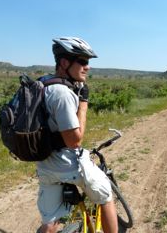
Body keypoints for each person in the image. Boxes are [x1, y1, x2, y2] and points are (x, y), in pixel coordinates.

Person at [36, 37, 118, 233]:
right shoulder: (62, 94)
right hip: (68, 165)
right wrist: (83, 103)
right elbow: (74, 140)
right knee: (105, 195)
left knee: (50, 221)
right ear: (65, 63)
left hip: (45, 165)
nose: (87, 67)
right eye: (82, 61)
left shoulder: (43, 84)